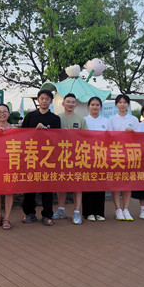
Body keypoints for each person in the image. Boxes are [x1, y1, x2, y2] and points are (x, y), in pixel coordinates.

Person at [21, 90, 61, 226]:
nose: (44, 101)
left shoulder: (55, 119)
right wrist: (35, 131)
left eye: (47, 99)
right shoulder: (30, 116)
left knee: (47, 188)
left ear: (51, 101)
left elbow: (57, 139)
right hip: (31, 157)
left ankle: (47, 215)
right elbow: (22, 135)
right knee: (29, 187)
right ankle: (29, 213)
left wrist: (46, 132)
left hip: (47, 158)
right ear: (38, 100)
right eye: (42, 98)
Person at [54, 93, 87, 224]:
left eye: (73, 102)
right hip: (61, 157)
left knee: (77, 185)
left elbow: (86, 138)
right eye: (68, 102)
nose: (70, 104)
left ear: (76, 105)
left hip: (77, 157)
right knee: (61, 184)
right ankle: (61, 209)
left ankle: (77, 212)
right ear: (63, 104)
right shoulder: (57, 118)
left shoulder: (81, 119)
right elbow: (51, 138)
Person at [108, 94, 138, 221]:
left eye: (125, 102)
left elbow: (140, 137)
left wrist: (132, 133)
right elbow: (108, 137)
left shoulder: (134, 119)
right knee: (116, 183)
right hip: (116, 154)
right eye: (120, 102)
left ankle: (126, 209)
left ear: (128, 104)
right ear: (116, 105)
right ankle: (118, 209)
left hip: (130, 155)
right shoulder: (111, 119)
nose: (122, 104)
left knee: (127, 183)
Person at [82, 97, 109, 222]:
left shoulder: (106, 121)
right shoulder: (83, 120)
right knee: (88, 184)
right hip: (87, 156)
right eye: (92, 104)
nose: (95, 107)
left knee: (100, 184)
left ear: (101, 107)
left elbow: (111, 138)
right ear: (88, 106)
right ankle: (88, 212)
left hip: (102, 156)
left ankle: (99, 212)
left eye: (97, 105)